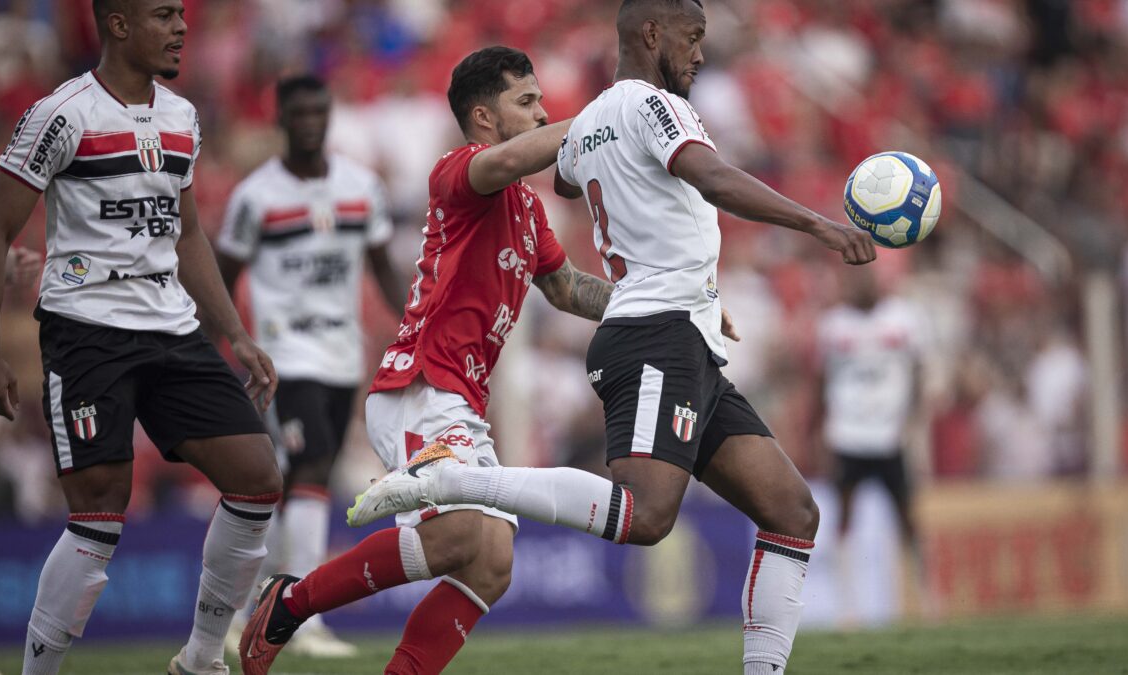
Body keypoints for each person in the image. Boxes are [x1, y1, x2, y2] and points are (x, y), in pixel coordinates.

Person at [347, 1, 876, 673]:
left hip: (682, 331)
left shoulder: (596, 120)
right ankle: (452, 479)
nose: (701, 55)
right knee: (647, 516)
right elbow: (708, 175)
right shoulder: (649, 104)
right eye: (692, 38)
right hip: (657, 334)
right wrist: (818, 225)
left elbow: (568, 182)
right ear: (652, 34)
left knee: (792, 509)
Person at [238, 46, 615, 675]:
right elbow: (517, 157)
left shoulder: (526, 208)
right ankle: (290, 600)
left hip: (459, 399)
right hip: (420, 385)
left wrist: (654, 304)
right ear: (484, 116)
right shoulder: (458, 173)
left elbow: (566, 287)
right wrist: (608, 117)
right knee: (461, 536)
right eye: (526, 102)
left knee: (491, 562)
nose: (542, 112)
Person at [0, 2, 284, 674]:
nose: (182, 27)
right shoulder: (61, 114)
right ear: (119, 24)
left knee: (257, 478)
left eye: (181, 15)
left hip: (171, 326)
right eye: (163, 15)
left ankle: (201, 659)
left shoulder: (182, 117)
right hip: (87, 329)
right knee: (100, 505)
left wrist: (235, 335)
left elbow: (185, 233)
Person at [214, 74, 404, 658]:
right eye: (298, 114)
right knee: (315, 461)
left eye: (319, 112)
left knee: (289, 482)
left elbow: (381, 267)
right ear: (281, 120)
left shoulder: (361, 188)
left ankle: (245, 612)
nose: (310, 123)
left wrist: (413, 325)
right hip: (283, 356)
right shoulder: (256, 197)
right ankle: (301, 616)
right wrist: (232, 342)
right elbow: (220, 277)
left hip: (342, 355)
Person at [812, 267, 925, 617]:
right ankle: (849, 606)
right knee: (845, 518)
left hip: (891, 434)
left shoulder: (904, 318)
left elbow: (919, 370)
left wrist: (913, 418)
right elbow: (821, 379)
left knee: (907, 518)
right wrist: (819, 428)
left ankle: (927, 600)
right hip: (847, 434)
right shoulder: (833, 325)